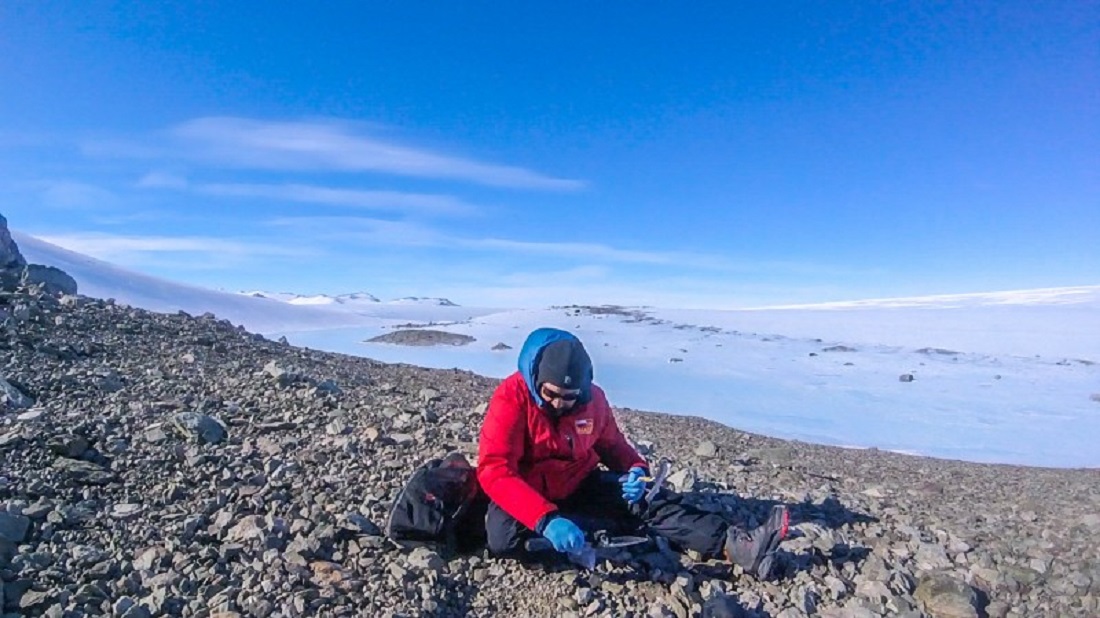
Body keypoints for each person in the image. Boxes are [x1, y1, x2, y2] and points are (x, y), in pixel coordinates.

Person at [476, 327, 789, 579]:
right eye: (551, 394)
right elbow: (495, 469)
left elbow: (613, 446)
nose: (559, 404)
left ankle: (738, 547)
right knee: (503, 541)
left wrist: (636, 470)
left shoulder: (593, 400)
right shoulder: (511, 398)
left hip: (577, 482)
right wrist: (545, 519)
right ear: (536, 381)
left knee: (647, 500)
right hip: (528, 490)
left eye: (568, 397)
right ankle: (592, 531)